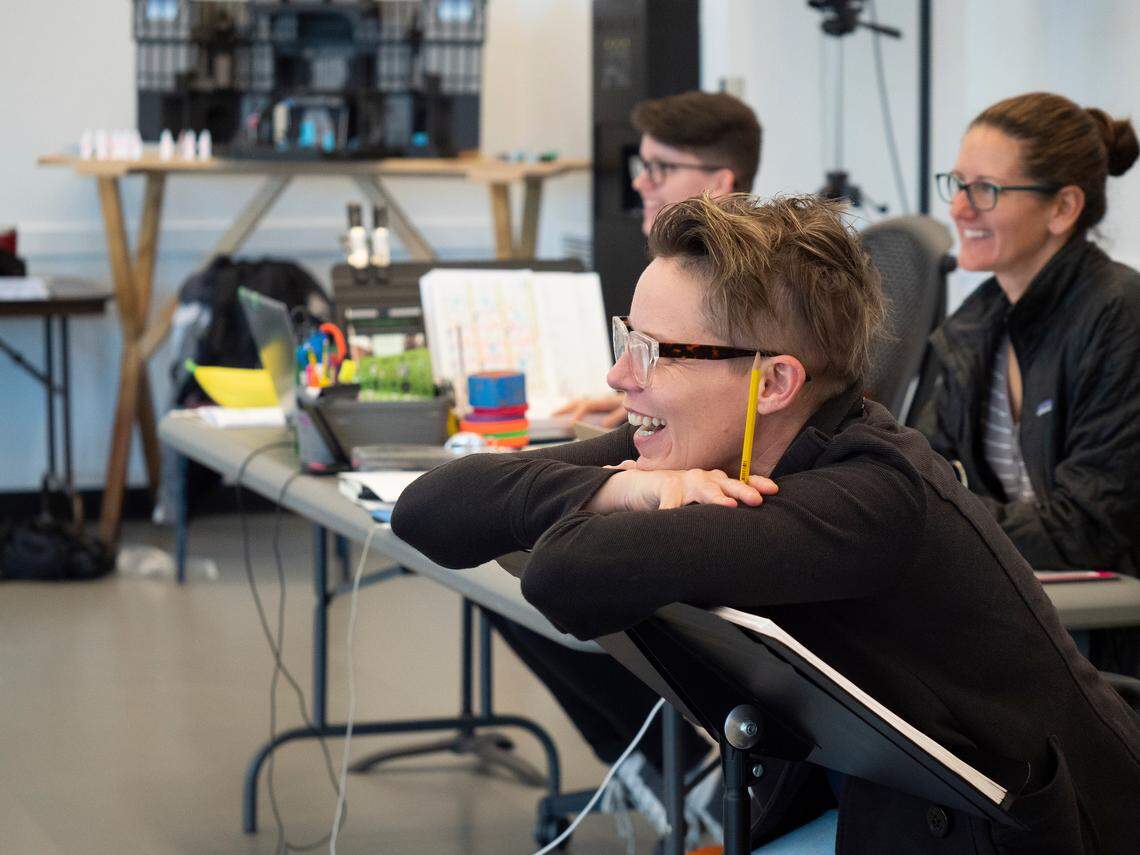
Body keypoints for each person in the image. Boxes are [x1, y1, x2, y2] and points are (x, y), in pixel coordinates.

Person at [393, 193, 1140, 853]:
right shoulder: (700, 441)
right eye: (627, 338)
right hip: (889, 808)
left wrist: (616, 496)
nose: (621, 377)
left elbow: (564, 574)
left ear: (774, 381)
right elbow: (425, 511)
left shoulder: (873, 497)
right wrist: (620, 492)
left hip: (1038, 831)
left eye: (653, 352)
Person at [915, 92, 1140, 674]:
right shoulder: (974, 326)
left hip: (1108, 647)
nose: (960, 209)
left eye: (985, 190)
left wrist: (935, 520)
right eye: (956, 183)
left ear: (1063, 207)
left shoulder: (1120, 316)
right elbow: (920, 477)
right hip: (1029, 623)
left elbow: (1090, 528)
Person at [555, 89, 762, 429]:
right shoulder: (685, 270)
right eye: (643, 165)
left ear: (720, 182)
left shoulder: (761, 285)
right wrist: (641, 402)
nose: (639, 182)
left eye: (661, 167)